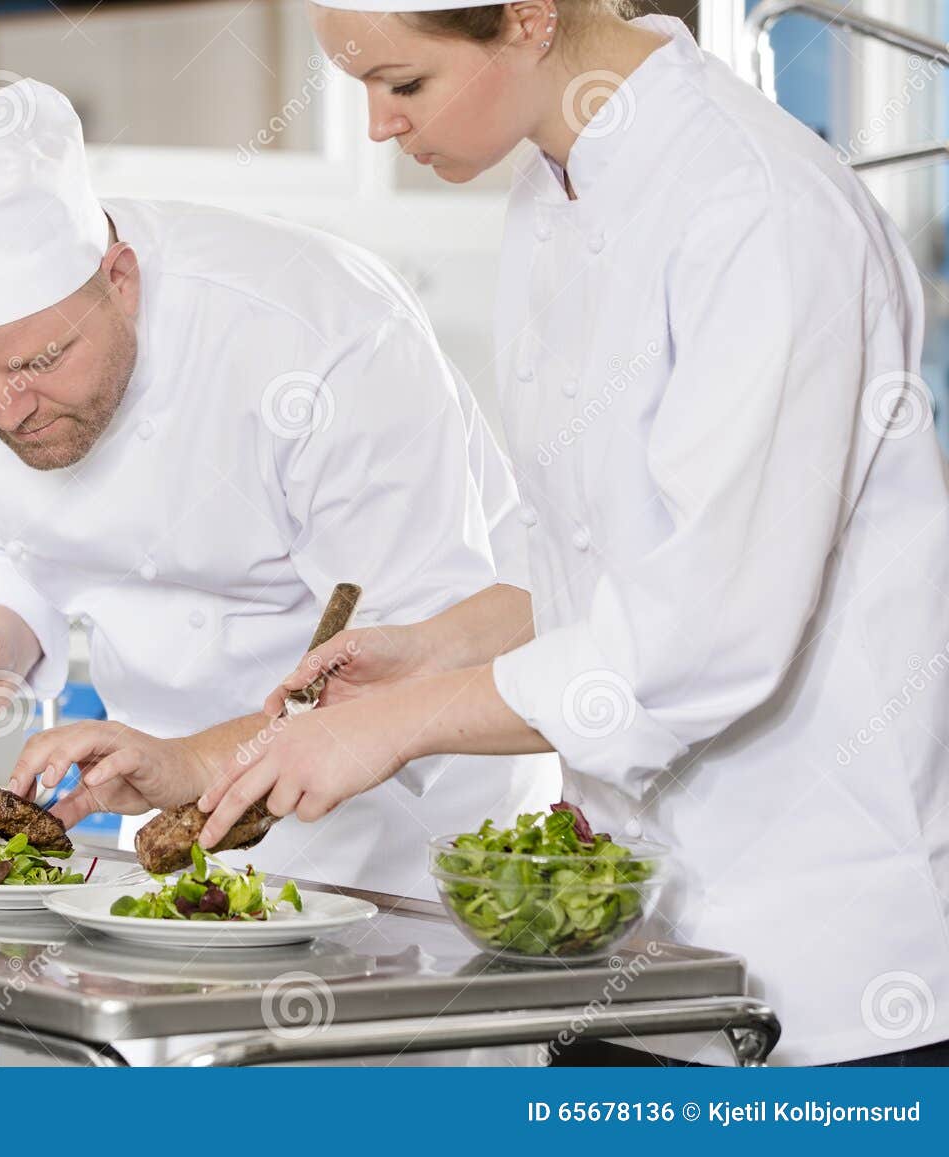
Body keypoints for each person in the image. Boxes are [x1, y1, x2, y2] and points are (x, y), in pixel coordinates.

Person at [48, 0, 949, 1067]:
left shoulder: (754, 209)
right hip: (622, 932)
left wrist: (396, 725)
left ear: (527, 19)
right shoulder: (550, 194)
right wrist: (434, 647)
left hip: (828, 951)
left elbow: (707, 632)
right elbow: (582, 555)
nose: (380, 125)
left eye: (404, 83)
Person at [0, 78, 557, 897]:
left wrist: (193, 759)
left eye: (42, 362)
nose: (7, 407)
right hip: (162, 816)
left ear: (118, 277)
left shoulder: (321, 337)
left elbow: (407, 649)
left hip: (402, 834)